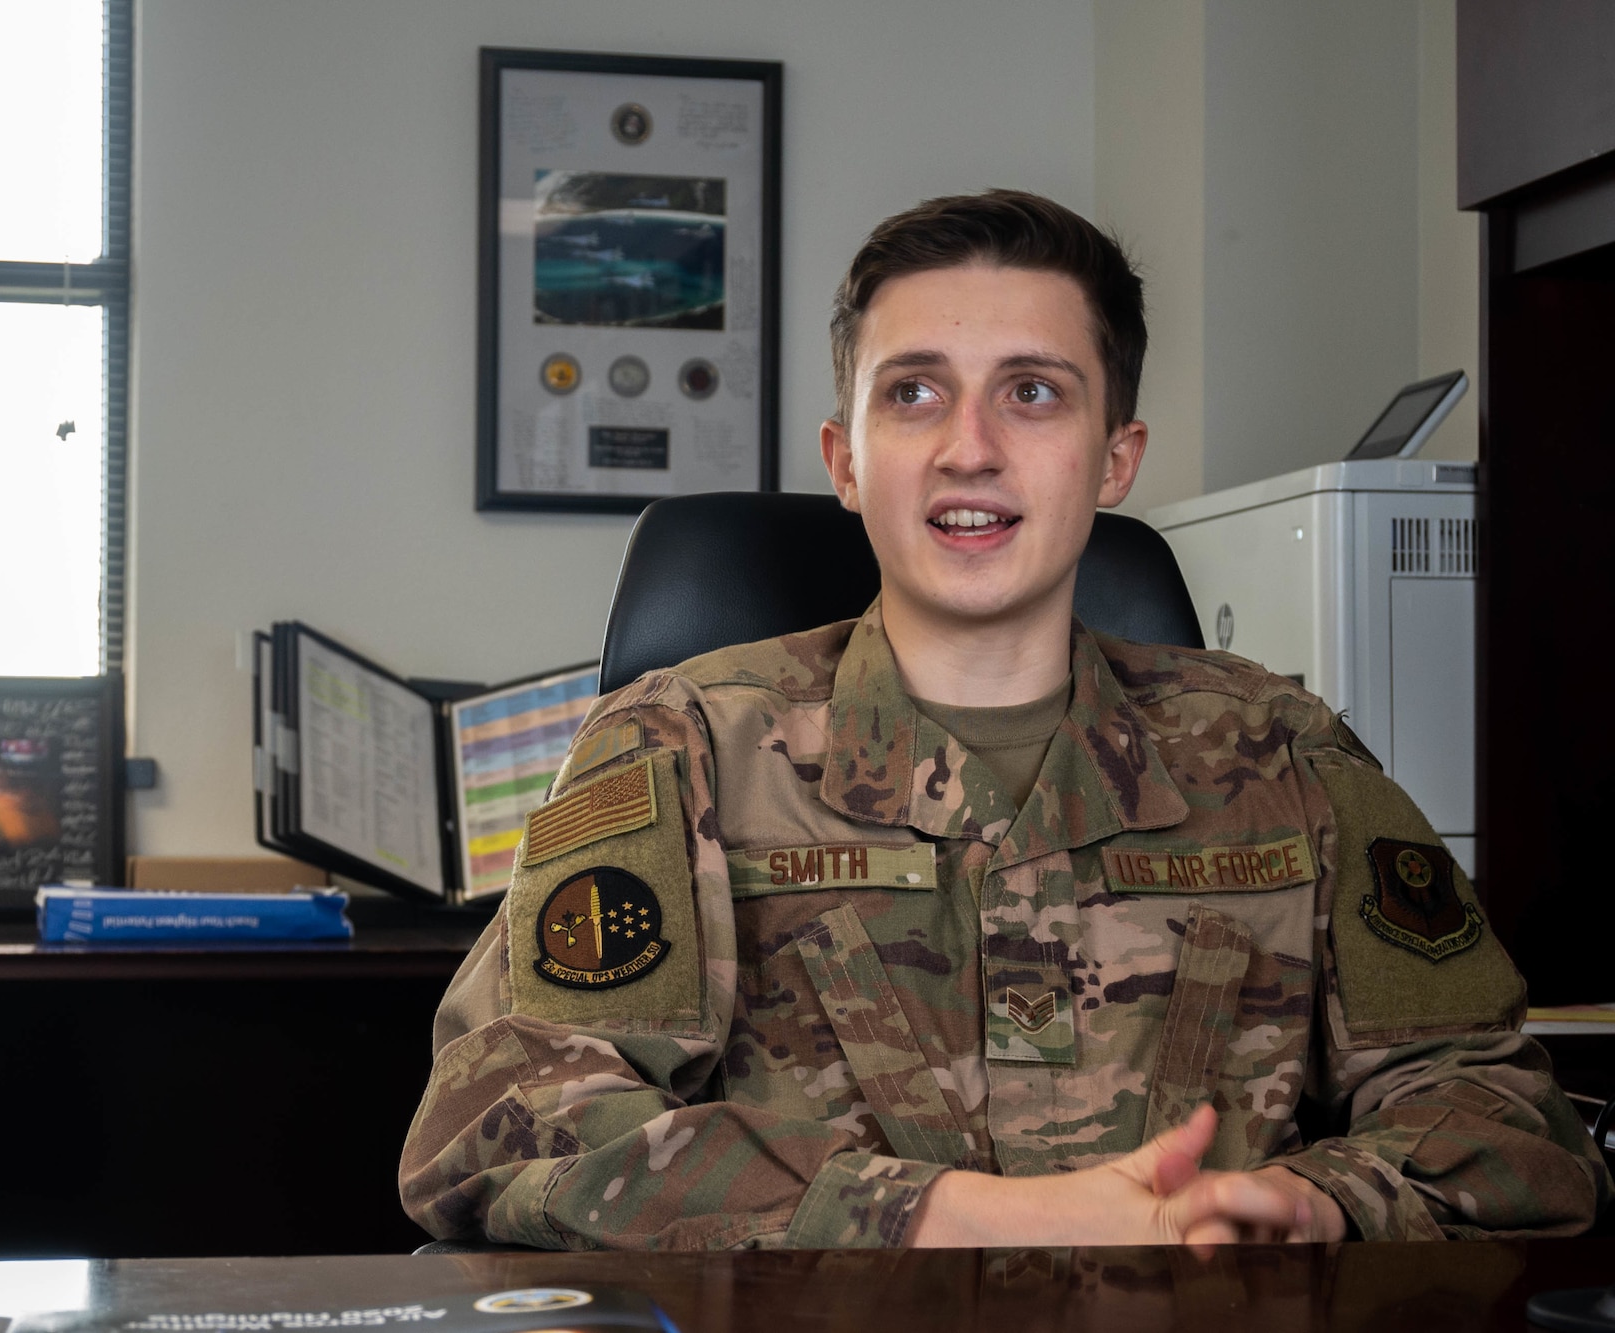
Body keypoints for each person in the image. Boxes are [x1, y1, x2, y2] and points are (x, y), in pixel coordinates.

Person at [400, 190, 1610, 1249]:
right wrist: (930, 1214)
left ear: (1114, 457)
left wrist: (1322, 1202)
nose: (966, 449)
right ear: (844, 458)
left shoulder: (1279, 753)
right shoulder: (680, 750)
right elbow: (503, 1122)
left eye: (1031, 394)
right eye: (914, 392)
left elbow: (1504, 1115)